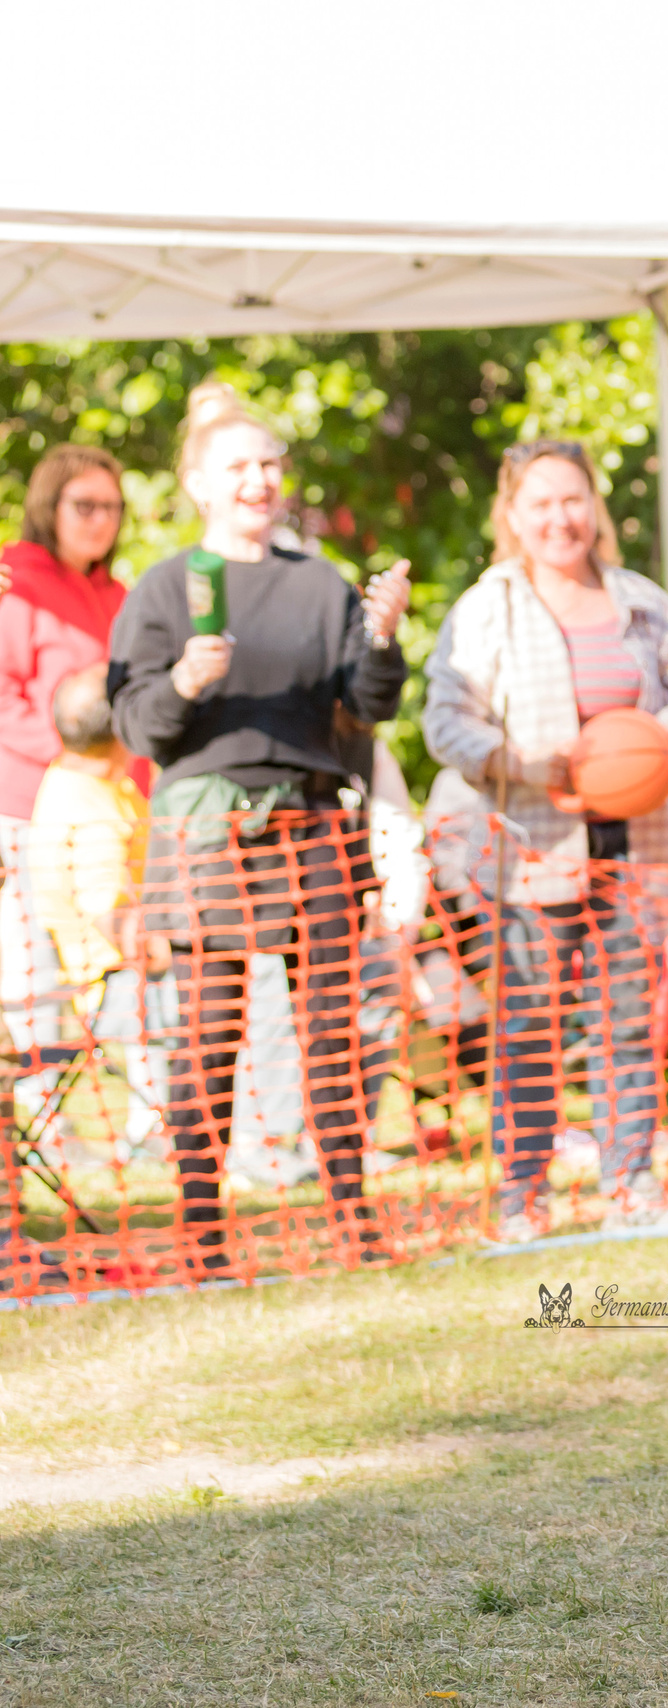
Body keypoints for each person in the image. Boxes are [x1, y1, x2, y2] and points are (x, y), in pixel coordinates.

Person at [108, 381, 411, 1270]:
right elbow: (138, 726)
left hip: (314, 828)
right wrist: (185, 685)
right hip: (209, 836)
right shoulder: (166, 588)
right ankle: (203, 1234)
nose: (259, 478)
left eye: (271, 463)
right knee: (207, 1035)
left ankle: (353, 1221)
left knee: (331, 1030)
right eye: (238, 465)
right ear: (200, 482)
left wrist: (383, 639)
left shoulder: (319, 583)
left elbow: (366, 708)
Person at [421, 438, 668, 1243]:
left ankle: (631, 1186)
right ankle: (523, 1196)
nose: (561, 518)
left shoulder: (642, 600)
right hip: (534, 849)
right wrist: (509, 760)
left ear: (595, 507)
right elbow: (444, 720)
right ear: (512, 516)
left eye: (574, 499)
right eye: (542, 503)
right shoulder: (487, 609)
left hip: (637, 843)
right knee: (528, 1022)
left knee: (631, 1016)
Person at [0, 445, 130, 1127]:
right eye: (84, 504)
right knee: (36, 971)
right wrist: (75, 755)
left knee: (123, 961)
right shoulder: (14, 582)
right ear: (50, 507)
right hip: (32, 810)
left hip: (114, 811)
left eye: (111, 506)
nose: (99, 520)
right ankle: (44, 1126)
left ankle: (146, 1122)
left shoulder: (116, 594)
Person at [26, 663, 167, 1159]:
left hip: (122, 976)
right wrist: (167, 951)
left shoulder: (80, 779)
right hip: (112, 985)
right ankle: (155, 1131)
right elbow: (108, 908)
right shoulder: (90, 813)